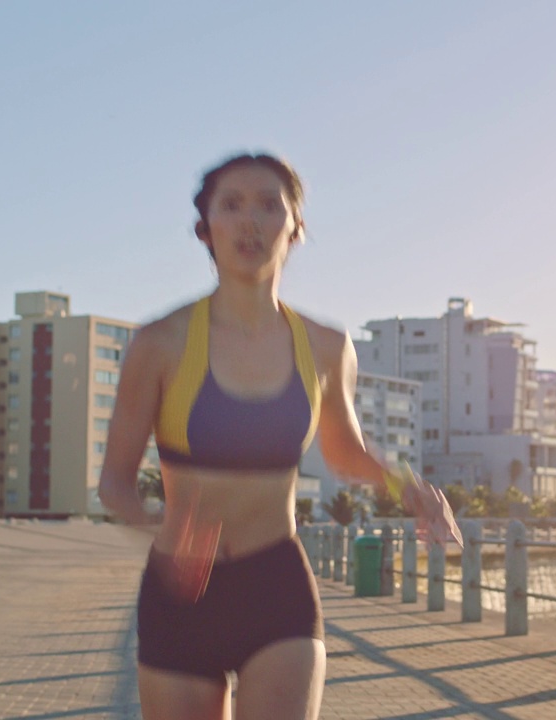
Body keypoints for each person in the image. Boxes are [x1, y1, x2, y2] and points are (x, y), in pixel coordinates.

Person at [97, 152, 462, 720]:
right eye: (232, 205)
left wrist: (407, 486)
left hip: (277, 586)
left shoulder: (325, 346)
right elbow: (114, 482)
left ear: (295, 228)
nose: (251, 221)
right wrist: (154, 529)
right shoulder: (160, 343)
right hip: (182, 595)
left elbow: (345, 452)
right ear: (205, 228)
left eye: (270, 205)